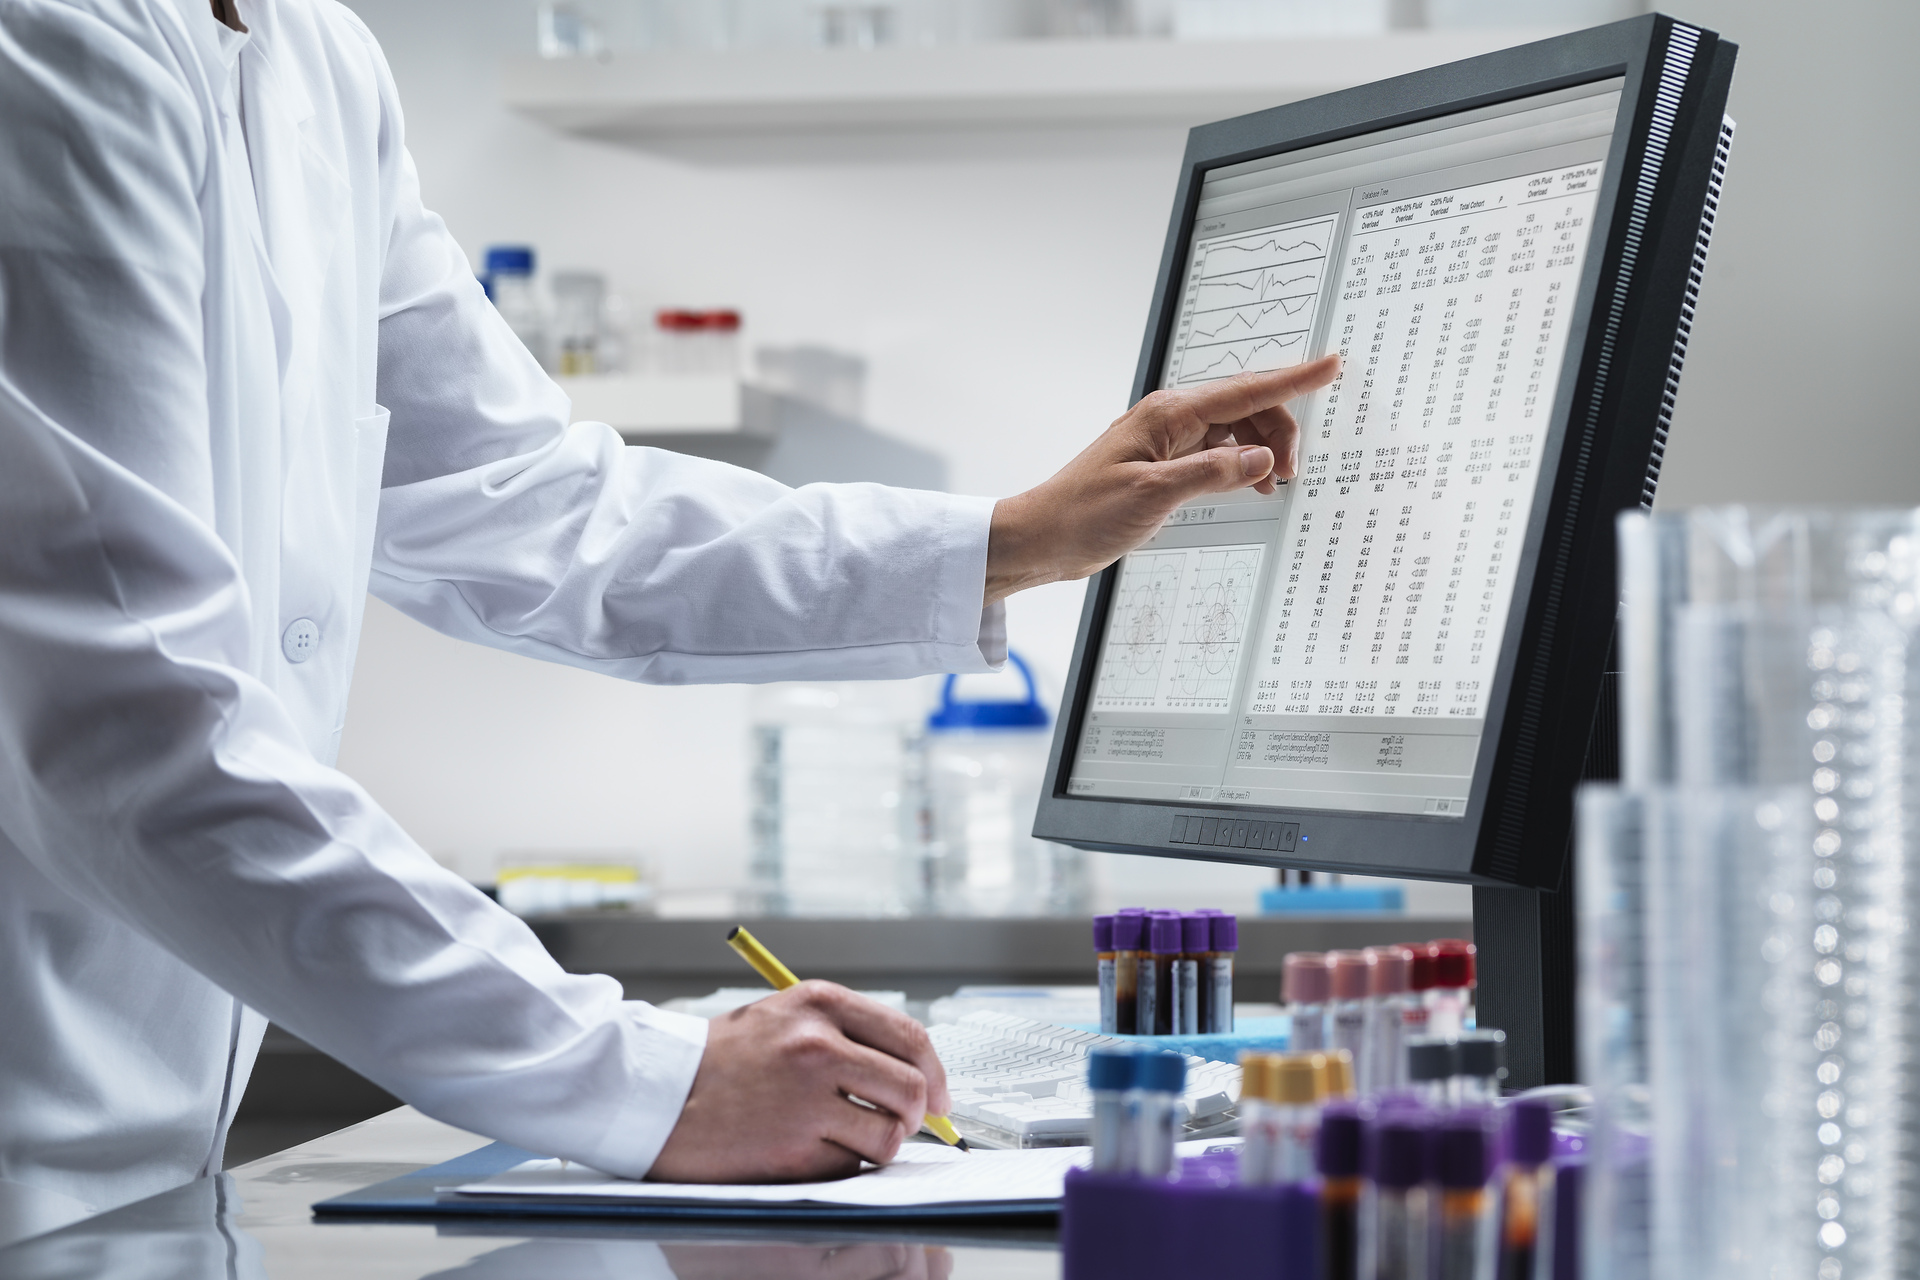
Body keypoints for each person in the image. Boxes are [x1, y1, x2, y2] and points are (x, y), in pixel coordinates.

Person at [0, 0, 1342, 1223]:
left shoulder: (321, 61)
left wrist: (1012, 539)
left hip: (131, 1151)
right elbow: (129, 721)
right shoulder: (49, 47)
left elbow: (537, 506)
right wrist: (647, 1080)